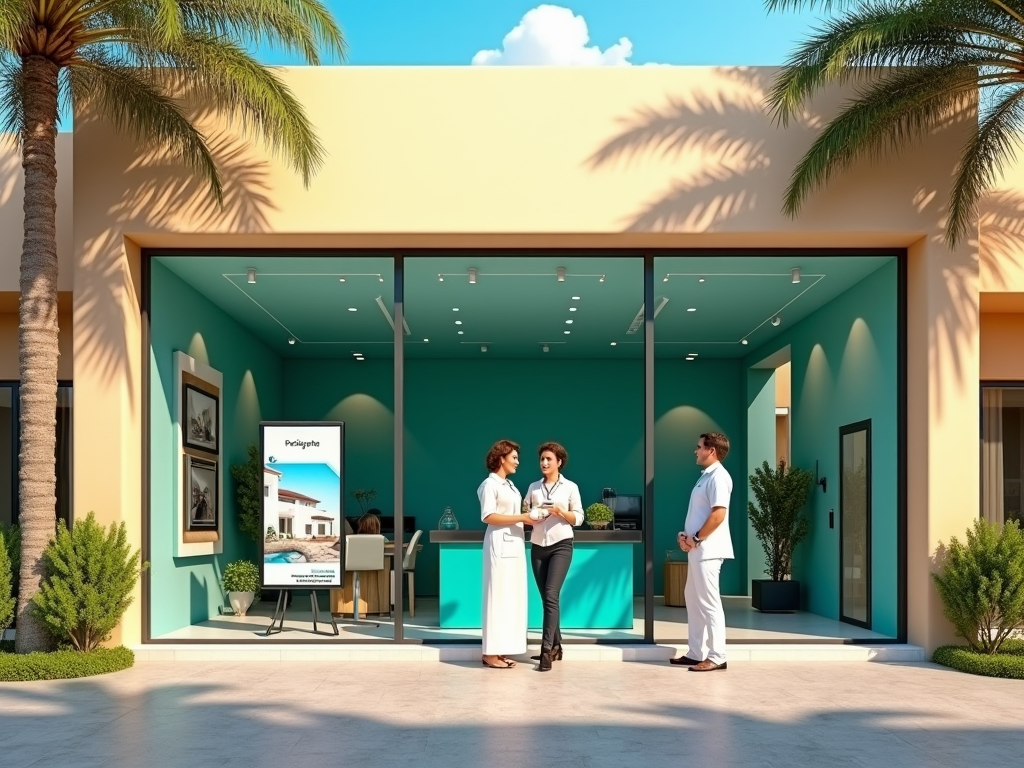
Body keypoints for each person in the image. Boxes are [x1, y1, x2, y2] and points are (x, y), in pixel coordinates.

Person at [670, 431, 734, 672]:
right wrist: (686, 537)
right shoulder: (705, 477)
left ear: (711, 450)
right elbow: (700, 514)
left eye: (699, 447)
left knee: (709, 603)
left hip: (707, 550)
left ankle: (717, 656)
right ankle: (696, 652)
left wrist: (696, 538)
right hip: (697, 549)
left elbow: (718, 514)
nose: (695, 450)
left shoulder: (719, 477)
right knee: (693, 600)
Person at [523, 442, 583, 671]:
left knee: (551, 595)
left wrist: (560, 511)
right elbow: (527, 512)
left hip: (561, 545)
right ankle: (557, 646)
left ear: (559, 462)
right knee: (548, 599)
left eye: (549, 459)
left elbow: (578, 518)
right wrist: (534, 515)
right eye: (542, 459)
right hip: (538, 545)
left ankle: (545, 651)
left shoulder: (570, 487)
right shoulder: (533, 487)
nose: (545, 463)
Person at [478, 439, 535, 669]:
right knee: (496, 597)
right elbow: (488, 516)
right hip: (499, 546)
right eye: (514, 458)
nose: (517, 462)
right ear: (501, 458)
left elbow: (516, 514)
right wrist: (522, 517)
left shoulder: (510, 486)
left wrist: (530, 517)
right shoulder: (489, 485)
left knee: (510, 597)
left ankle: (500, 650)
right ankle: (490, 653)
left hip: (514, 546)